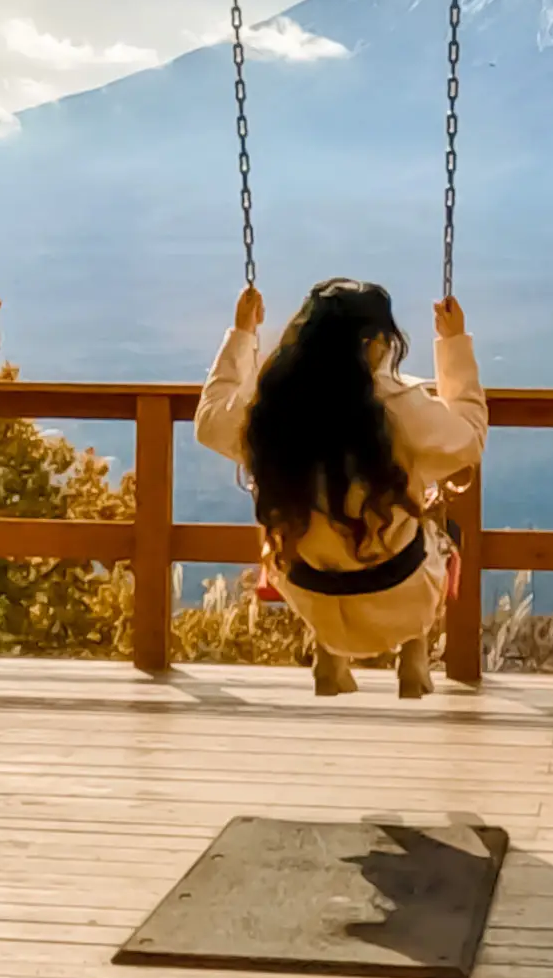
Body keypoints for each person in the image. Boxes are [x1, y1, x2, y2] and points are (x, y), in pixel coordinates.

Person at [195, 278, 487, 697]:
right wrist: (454, 344)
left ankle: (330, 652)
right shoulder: (401, 410)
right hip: (402, 597)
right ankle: (413, 648)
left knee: (294, 518)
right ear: (376, 344)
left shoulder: (274, 409)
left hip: (311, 596)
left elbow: (209, 421)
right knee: (434, 521)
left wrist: (243, 333)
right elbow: (469, 437)